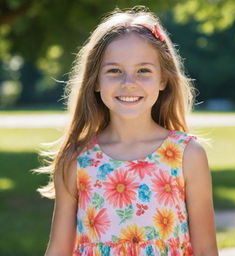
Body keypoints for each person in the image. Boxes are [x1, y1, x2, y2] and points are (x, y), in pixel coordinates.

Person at [37, 5, 218, 256]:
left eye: (143, 70)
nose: (128, 83)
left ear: (163, 79)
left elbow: (206, 250)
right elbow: (58, 250)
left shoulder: (188, 155)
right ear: (96, 81)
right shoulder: (76, 160)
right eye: (114, 71)